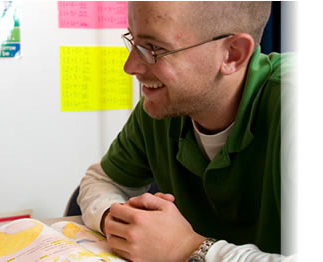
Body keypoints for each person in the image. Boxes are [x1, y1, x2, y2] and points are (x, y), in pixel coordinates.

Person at [77, 2, 294, 262]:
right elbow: (101, 180)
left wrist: (187, 248)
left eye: (154, 48)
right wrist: (125, 223)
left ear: (232, 54)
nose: (130, 66)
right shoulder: (166, 104)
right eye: (133, 40)